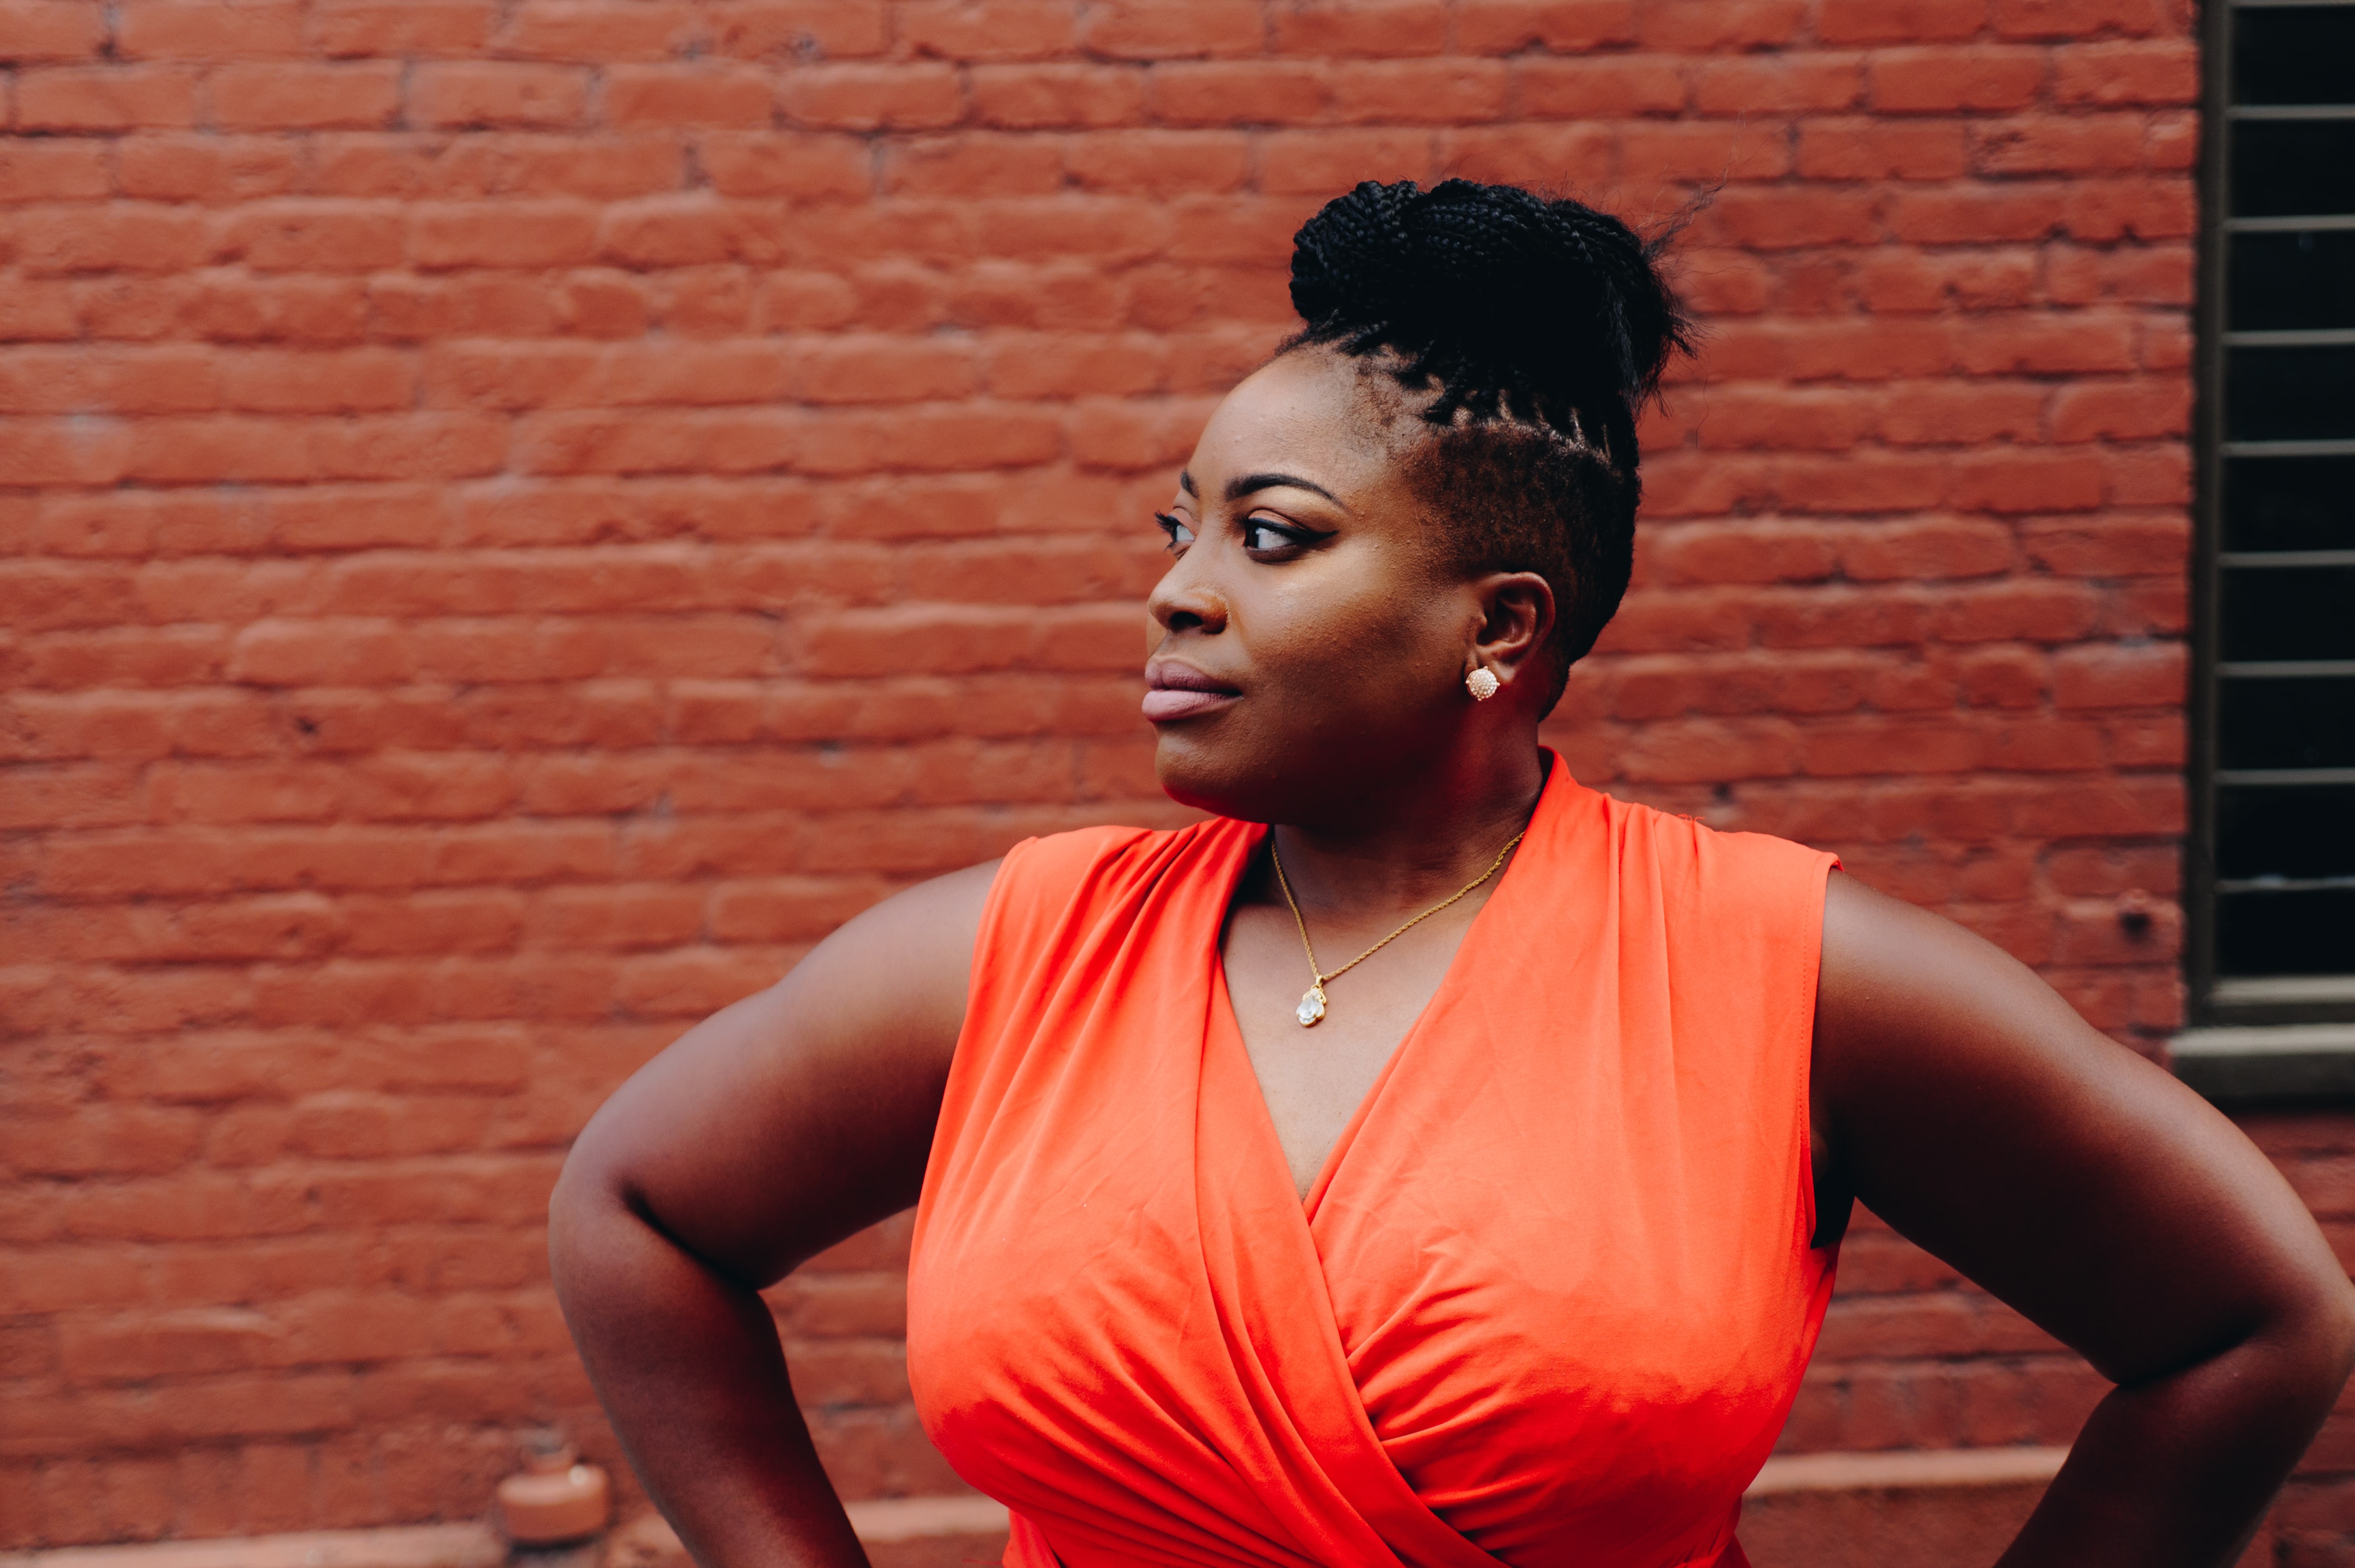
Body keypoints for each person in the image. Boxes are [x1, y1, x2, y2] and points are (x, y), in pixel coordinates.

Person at [547, 179, 2355, 1568]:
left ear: (1500, 625)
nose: (1179, 587)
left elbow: (2252, 1326)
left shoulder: (1782, 976)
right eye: (1177, 527)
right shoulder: (1009, 958)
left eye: (1272, 538)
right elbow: (636, 1210)